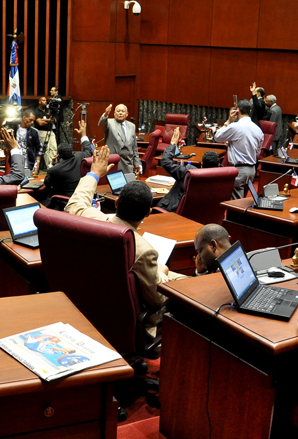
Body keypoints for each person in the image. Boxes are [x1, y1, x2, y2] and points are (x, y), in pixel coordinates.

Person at [65, 146, 184, 310]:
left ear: (116, 203)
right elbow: (157, 299)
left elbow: (76, 202)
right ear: (148, 213)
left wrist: (94, 173)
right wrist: (161, 273)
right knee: (187, 282)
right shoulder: (144, 251)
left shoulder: (89, 219)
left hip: (88, 300)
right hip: (129, 312)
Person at [157, 128, 221, 212]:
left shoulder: (190, 173)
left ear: (202, 164)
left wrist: (173, 144)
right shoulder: (222, 181)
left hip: (172, 213)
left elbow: (166, 162)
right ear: (218, 166)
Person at [35, 118, 93, 208]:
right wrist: (83, 135)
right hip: (81, 198)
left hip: (63, 202)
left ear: (59, 155)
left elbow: (47, 182)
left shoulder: (55, 169)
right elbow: (88, 150)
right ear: (72, 152)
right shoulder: (80, 157)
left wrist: (52, 164)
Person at [214, 100, 263, 199]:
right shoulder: (258, 129)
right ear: (250, 111)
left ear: (237, 111)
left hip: (239, 170)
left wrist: (228, 121)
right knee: (243, 202)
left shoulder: (235, 126)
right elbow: (257, 152)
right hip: (251, 171)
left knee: (235, 204)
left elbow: (217, 137)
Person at [98, 103, 140, 175]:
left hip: (128, 164)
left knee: (129, 181)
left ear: (127, 114)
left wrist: (136, 163)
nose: (120, 113)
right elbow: (101, 124)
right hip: (114, 163)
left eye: (123, 111)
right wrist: (106, 114)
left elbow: (134, 147)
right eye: (118, 111)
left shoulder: (132, 126)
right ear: (114, 113)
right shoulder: (109, 122)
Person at [14, 110, 43, 175]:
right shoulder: (14, 130)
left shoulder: (34, 132)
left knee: (28, 180)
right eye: (30, 120)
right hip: (15, 166)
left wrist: (36, 165)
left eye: (33, 121)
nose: (32, 122)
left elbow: (39, 149)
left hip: (28, 166)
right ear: (24, 117)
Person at [35, 96, 58, 168]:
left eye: (46, 100)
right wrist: (48, 120)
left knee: (54, 147)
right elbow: (40, 123)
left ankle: (54, 164)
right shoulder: (36, 111)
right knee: (46, 149)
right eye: (43, 100)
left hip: (50, 131)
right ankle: (49, 166)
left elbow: (55, 120)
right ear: (39, 102)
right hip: (42, 132)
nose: (45, 102)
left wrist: (44, 120)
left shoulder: (49, 110)